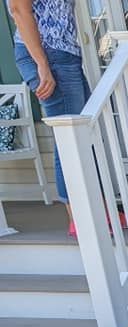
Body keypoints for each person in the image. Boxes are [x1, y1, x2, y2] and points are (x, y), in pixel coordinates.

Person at [7, 0, 89, 236]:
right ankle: (80, 218)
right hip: (48, 56)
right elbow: (19, 10)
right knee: (69, 142)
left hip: (66, 54)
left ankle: (95, 209)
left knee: (84, 137)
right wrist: (42, 64)